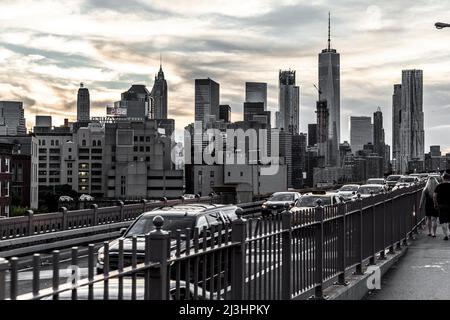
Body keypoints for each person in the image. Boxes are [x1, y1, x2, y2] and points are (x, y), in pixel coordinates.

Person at [434, 171, 450, 241]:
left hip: (441, 206)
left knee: (443, 221)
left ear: (443, 178)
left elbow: (434, 196)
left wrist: (435, 204)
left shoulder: (439, 186)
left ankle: (445, 235)